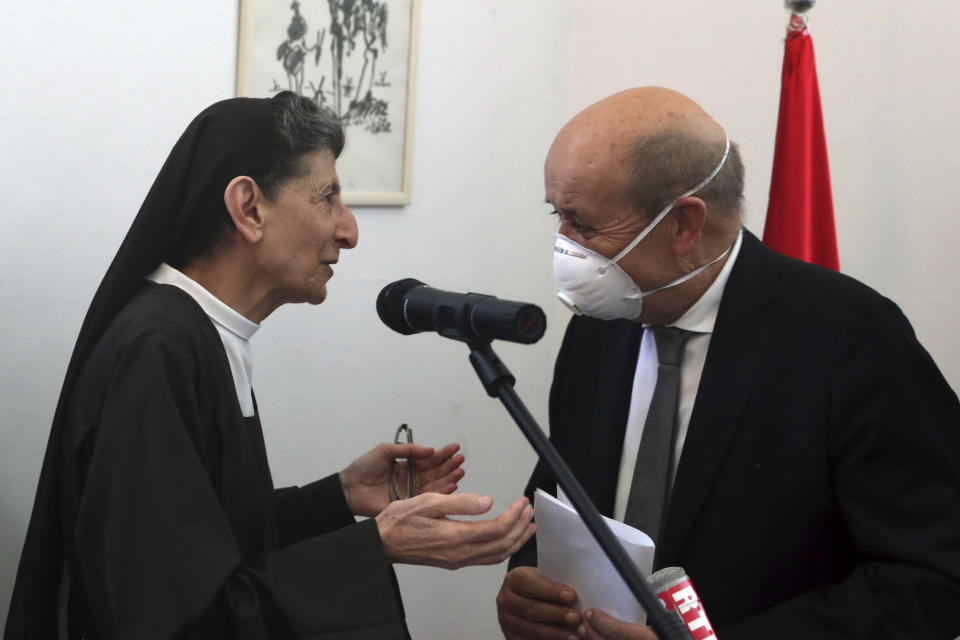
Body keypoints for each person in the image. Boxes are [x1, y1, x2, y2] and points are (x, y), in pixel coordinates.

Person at [5, 92, 536, 639]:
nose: (349, 230)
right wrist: (373, 544)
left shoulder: (198, 332)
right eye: (327, 197)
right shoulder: (158, 350)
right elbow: (175, 617)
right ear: (250, 208)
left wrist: (338, 498)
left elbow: (208, 540)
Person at [495, 86, 960, 639]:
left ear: (684, 226)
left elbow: (932, 578)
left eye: (584, 224)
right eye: (559, 215)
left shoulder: (849, 338)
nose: (564, 246)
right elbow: (562, 499)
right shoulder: (599, 325)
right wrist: (529, 584)